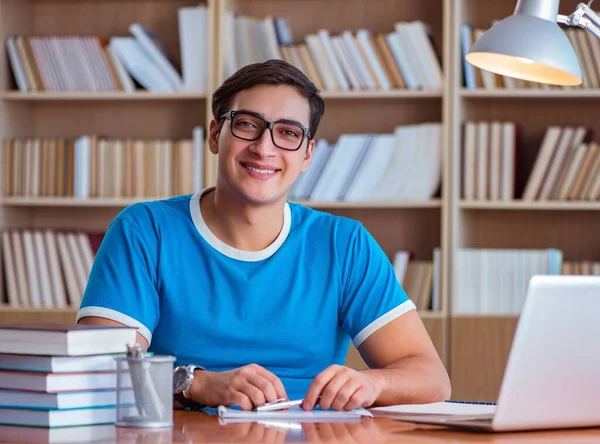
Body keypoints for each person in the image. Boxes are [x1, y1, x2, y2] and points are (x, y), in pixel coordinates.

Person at [77, 59, 451, 412]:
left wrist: (374, 384)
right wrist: (196, 385)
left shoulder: (344, 244)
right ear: (214, 135)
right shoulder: (145, 230)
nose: (264, 146)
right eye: (246, 124)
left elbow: (431, 379)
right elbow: (97, 370)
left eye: (288, 133)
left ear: (307, 155)